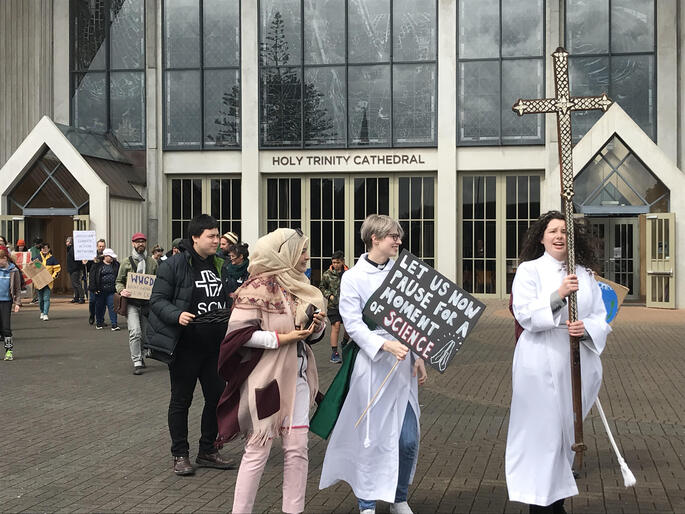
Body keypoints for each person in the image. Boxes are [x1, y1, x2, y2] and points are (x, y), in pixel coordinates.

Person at [320, 215, 427, 514]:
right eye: (393, 236)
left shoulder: (404, 273)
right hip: (372, 367)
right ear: (375, 239)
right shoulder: (352, 277)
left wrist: (418, 358)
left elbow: (413, 319)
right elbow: (352, 324)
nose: (399, 241)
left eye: (399, 236)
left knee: (407, 439)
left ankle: (398, 496)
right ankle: (366, 501)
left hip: (402, 366)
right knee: (369, 439)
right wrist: (383, 344)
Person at [506, 211, 611, 513]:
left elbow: (601, 317)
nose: (559, 236)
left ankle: (557, 500)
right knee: (543, 433)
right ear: (541, 237)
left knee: (566, 432)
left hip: (574, 360)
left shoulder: (586, 274)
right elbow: (525, 314)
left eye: (564, 231)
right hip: (539, 359)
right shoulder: (530, 270)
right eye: (552, 231)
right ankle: (540, 504)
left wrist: (586, 328)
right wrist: (559, 295)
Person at [216, 227, 327, 514]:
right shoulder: (258, 286)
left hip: (300, 380)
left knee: (297, 449)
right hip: (267, 381)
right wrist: (283, 338)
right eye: (302, 250)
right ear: (284, 253)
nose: (306, 256)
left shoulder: (301, 285)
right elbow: (239, 335)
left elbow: (310, 338)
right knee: (258, 449)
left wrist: (316, 327)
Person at [147, 214, 237, 476]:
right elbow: (157, 300)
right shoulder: (173, 265)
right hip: (185, 346)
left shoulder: (219, 264)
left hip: (215, 347)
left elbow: (223, 295)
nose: (217, 240)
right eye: (211, 236)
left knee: (217, 398)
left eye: (217, 235)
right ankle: (180, 454)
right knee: (181, 400)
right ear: (195, 237)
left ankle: (208, 449)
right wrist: (177, 314)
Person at [116, 232, 158, 375]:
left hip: (147, 304)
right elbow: (118, 282)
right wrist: (122, 291)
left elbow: (158, 281)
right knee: (135, 331)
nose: (140, 244)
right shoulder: (125, 262)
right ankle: (137, 362)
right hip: (132, 303)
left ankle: (141, 355)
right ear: (133, 244)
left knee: (145, 334)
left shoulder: (152, 262)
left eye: (143, 241)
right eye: (137, 241)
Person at [319, 250, 349, 364]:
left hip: (347, 305)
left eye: (337, 262)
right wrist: (330, 296)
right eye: (333, 262)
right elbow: (322, 287)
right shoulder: (327, 274)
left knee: (349, 328)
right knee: (335, 326)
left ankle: (344, 343)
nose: (335, 265)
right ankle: (334, 353)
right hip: (333, 306)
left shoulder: (349, 273)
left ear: (342, 262)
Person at [91, 248, 121, 331]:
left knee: (112, 307)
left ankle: (114, 324)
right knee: (99, 307)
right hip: (100, 290)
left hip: (111, 290)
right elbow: (93, 277)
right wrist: (94, 288)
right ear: (105, 256)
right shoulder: (97, 265)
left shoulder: (116, 265)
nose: (112, 258)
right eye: (110, 257)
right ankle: (99, 322)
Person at [0, 249, 22, 360]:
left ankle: (9, 351)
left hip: (6, 302)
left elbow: (17, 289)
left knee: (5, 327)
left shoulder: (13, 270)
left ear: (4, 259)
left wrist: (17, 303)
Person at [36, 243, 61, 321]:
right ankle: (42, 312)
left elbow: (57, 270)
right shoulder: (37, 258)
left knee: (46, 298)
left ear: (49, 249)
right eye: (43, 248)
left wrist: (52, 277)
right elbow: (33, 270)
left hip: (48, 282)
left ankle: (46, 313)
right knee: (40, 299)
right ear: (41, 249)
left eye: (46, 248)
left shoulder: (52, 259)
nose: (44, 250)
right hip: (39, 282)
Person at [86, 239, 106, 324]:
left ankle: (101, 319)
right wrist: (86, 262)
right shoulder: (91, 255)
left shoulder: (107, 255)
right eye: (100, 246)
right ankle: (92, 314)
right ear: (97, 247)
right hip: (93, 281)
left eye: (103, 246)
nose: (101, 248)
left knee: (102, 302)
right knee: (92, 301)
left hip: (103, 282)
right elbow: (88, 267)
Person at [66, 236, 85, 304]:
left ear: (70, 242)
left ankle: (81, 297)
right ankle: (76, 297)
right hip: (72, 269)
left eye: (67, 241)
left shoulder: (72, 249)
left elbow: (76, 258)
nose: (66, 242)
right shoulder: (70, 249)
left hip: (75, 269)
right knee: (74, 284)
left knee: (76, 283)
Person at [29, 237, 42, 304]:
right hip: (35, 268)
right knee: (34, 285)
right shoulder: (32, 250)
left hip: (41, 268)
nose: (38, 245)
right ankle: (35, 298)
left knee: (40, 284)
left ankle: (39, 297)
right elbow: (32, 259)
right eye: (37, 244)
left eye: (39, 243)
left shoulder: (42, 249)